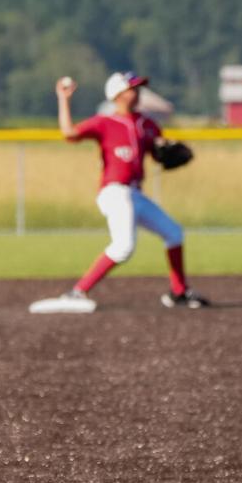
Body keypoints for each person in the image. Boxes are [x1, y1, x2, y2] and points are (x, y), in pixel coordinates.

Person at [29, 71, 208, 314]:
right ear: (117, 94)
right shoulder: (104, 122)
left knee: (174, 233)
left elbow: (158, 154)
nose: (137, 93)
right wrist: (64, 99)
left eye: (138, 88)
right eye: (132, 88)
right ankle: (76, 292)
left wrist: (167, 152)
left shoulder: (147, 124)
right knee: (124, 246)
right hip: (114, 192)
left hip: (135, 194)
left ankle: (179, 292)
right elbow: (69, 133)